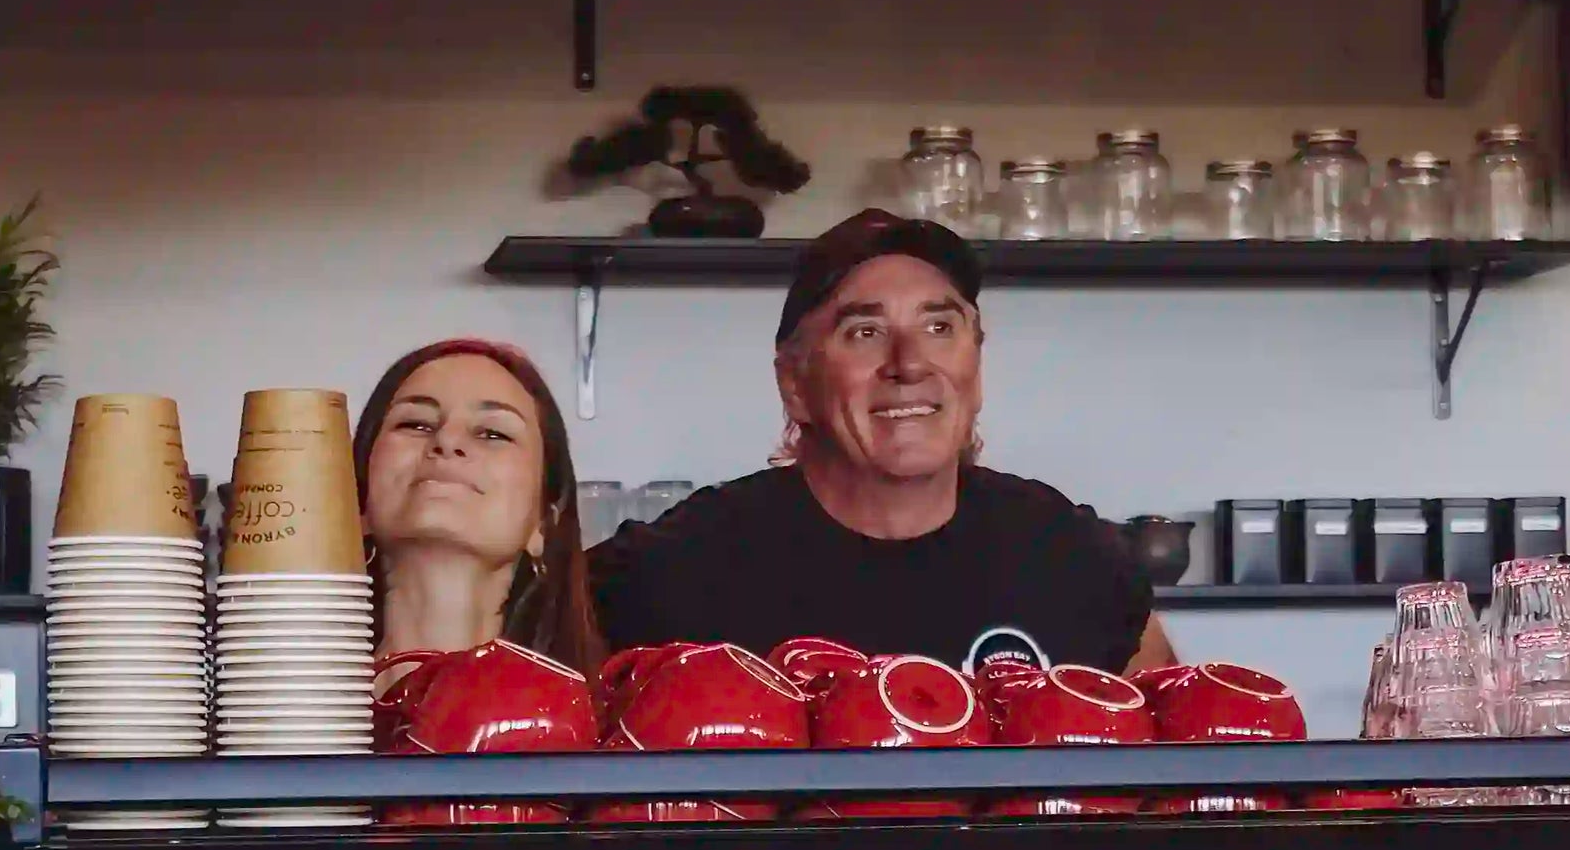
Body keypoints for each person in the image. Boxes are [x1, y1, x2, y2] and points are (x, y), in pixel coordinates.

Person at [592, 213, 1176, 675]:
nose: (909, 364)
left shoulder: (1072, 557)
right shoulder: (675, 567)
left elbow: (1176, 783)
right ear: (794, 385)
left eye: (939, 328)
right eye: (865, 332)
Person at [354, 339, 601, 675]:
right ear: (359, 505)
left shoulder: (600, 721)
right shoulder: (281, 705)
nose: (447, 441)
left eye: (492, 433)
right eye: (415, 424)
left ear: (543, 524)